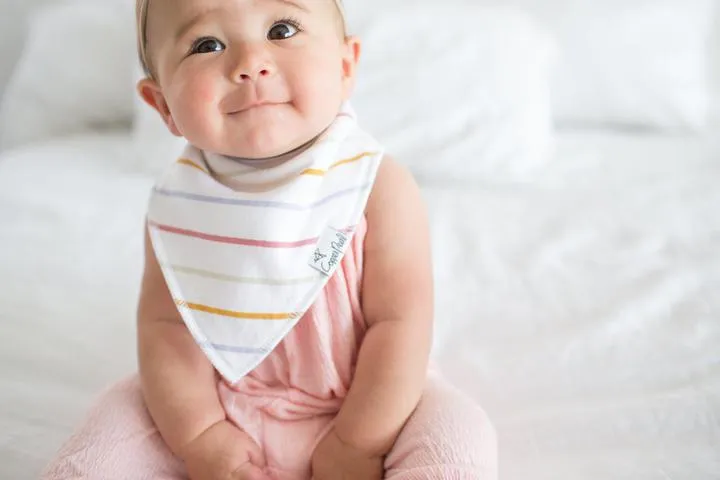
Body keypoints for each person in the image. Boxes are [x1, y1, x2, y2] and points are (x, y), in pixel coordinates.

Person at [42, 0, 497, 478]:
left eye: (282, 29)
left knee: (459, 431)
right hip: (222, 407)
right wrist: (201, 437)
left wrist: (357, 442)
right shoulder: (180, 207)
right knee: (113, 423)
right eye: (207, 44)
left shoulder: (374, 187)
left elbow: (400, 324)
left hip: (371, 402)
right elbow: (167, 332)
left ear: (344, 67)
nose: (249, 64)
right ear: (163, 106)